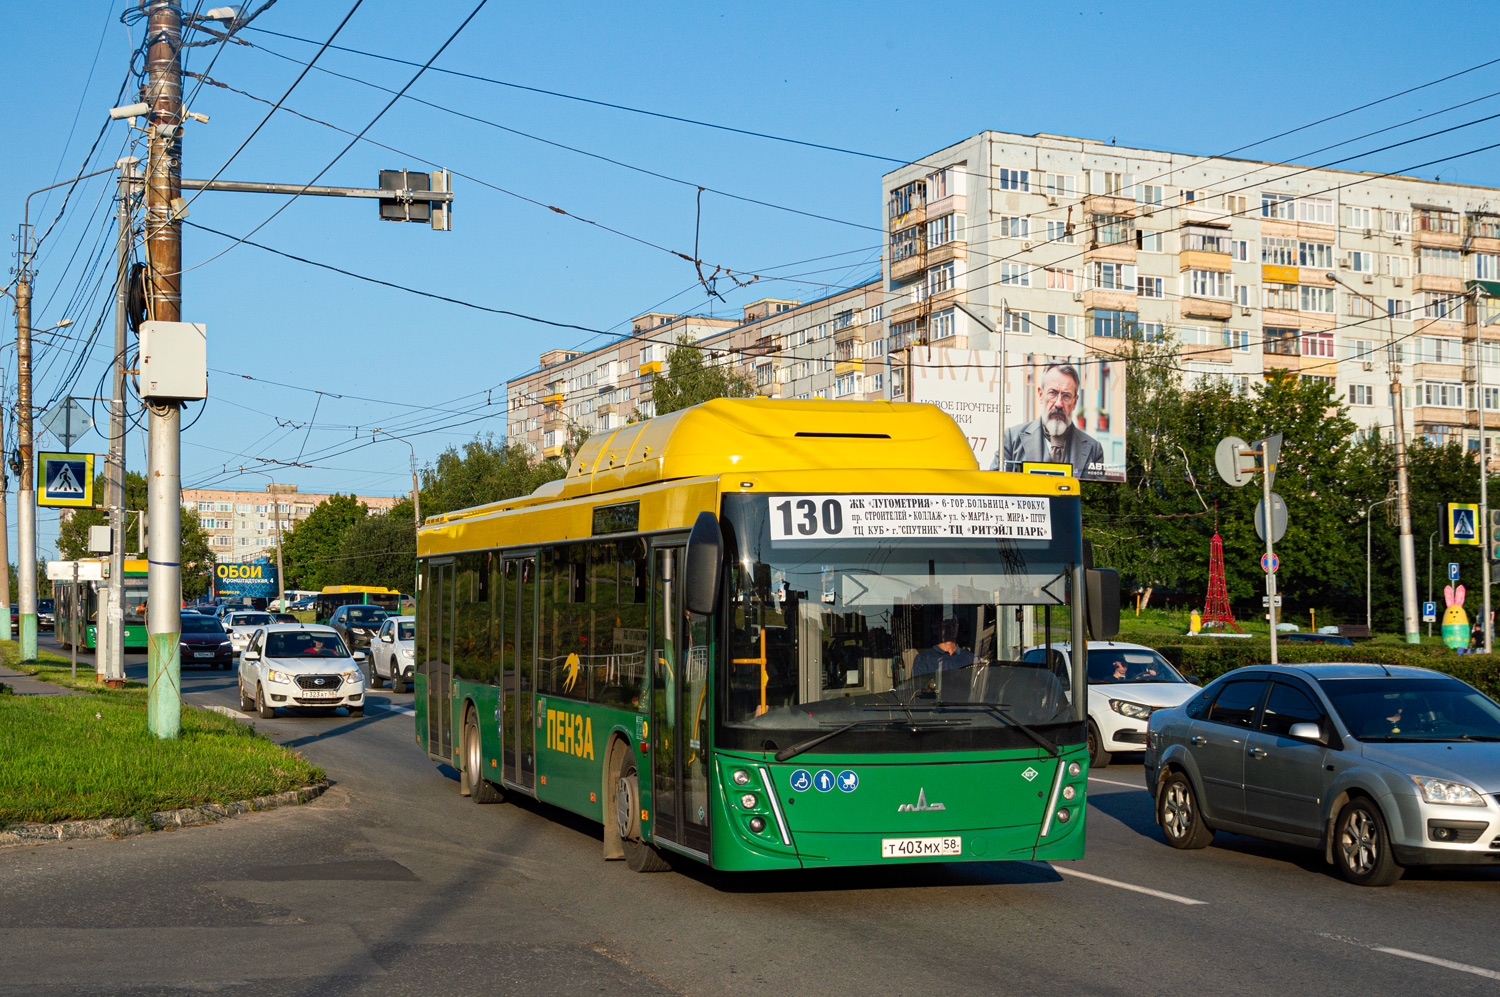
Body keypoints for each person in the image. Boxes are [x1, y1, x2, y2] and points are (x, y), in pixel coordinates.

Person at [990, 363, 1105, 479]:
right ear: (1041, 395)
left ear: (1075, 402)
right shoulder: (1012, 440)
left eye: (1066, 396)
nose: (1059, 404)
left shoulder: (1094, 449)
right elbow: (994, 486)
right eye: (1053, 393)